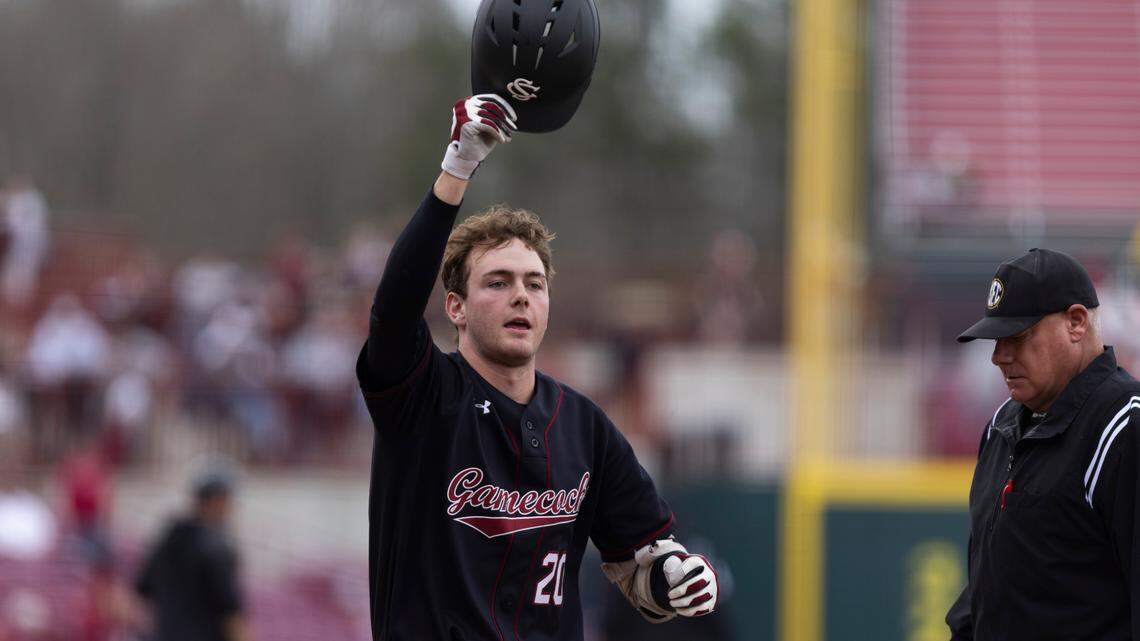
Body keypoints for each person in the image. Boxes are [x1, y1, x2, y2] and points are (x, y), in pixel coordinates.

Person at [356, 95, 718, 640]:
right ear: (455, 306)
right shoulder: (424, 395)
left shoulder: (582, 426)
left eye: (534, 283)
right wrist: (456, 170)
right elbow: (393, 309)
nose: (520, 297)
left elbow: (640, 561)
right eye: (497, 282)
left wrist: (675, 579)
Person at [946, 248, 1140, 640]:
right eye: (997, 339)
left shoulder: (1125, 428)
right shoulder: (1002, 425)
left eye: (1017, 337)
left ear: (1076, 322)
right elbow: (988, 587)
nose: (999, 357)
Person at [135, 470, 247, 641]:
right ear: (218, 500)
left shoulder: (169, 538)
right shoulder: (216, 547)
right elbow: (230, 613)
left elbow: (140, 593)